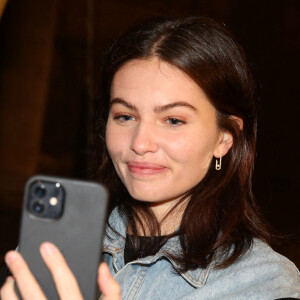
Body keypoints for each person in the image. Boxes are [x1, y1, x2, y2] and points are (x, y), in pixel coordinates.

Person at [1, 16, 300, 300]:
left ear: (224, 138)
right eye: (125, 116)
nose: (140, 143)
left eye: (173, 120)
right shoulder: (50, 251)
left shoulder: (265, 283)